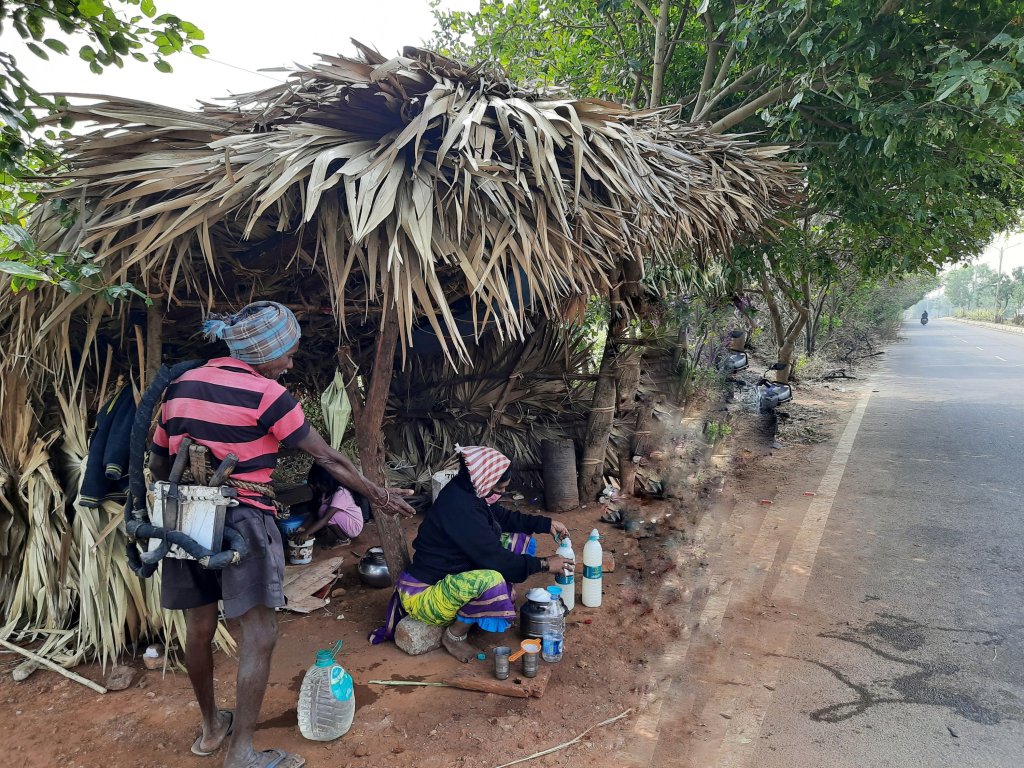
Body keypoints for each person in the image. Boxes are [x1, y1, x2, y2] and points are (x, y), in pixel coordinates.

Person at [148, 301, 414, 768]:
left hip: (184, 517)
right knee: (260, 633)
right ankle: (242, 754)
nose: (290, 364)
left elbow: (157, 462)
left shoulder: (179, 388)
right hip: (243, 521)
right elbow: (328, 458)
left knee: (199, 627)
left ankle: (212, 729)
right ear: (263, 352)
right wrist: (379, 494)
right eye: (287, 354)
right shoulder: (267, 394)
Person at [370, 445, 571, 662]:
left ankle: (479, 610)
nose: (501, 494)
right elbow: (498, 561)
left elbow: (502, 517)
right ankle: (454, 636)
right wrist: (544, 564)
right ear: (485, 480)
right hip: (424, 596)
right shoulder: (460, 507)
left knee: (518, 540)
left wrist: (546, 524)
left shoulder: (470, 490)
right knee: (493, 580)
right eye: (499, 488)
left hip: (450, 576)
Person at [291, 463, 368, 547]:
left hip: (354, 527)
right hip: (346, 522)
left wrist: (306, 533)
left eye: (320, 483)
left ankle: (344, 540)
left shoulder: (341, 493)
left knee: (324, 511)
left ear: (329, 481)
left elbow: (325, 519)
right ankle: (326, 531)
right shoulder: (325, 492)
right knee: (321, 509)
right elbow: (314, 513)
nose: (318, 486)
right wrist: (302, 528)